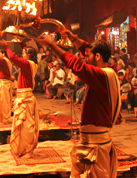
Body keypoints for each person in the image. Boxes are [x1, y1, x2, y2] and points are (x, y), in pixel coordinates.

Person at [35, 30, 121, 178]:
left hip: (97, 145)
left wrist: (52, 45)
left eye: (87, 56)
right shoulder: (105, 71)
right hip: (88, 142)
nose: (85, 58)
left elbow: (77, 65)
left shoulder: (103, 74)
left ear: (98, 57)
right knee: (79, 171)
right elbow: (90, 49)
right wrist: (73, 38)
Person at [0, 39, 38, 158]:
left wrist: (6, 45)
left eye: (25, 52)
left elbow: (12, 57)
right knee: (22, 126)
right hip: (23, 97)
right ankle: (24, 148)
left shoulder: (27, 64)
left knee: (27, 126)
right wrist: (21, 42)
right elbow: (22, 51)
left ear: (29, 55)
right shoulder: (30, 63)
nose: (23, 53)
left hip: (25, 99)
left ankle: (30, 150)